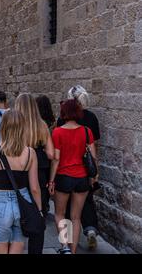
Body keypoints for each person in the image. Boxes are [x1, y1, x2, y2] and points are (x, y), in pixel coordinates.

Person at [0, 110, 42, 254]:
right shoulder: (30, 153)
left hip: (0, 203)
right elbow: (34, 187)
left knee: (0, 245)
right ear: (23, 128)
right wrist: (38, 210)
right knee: (18, 244)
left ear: (3, 128)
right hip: (23, 202)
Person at [49, 99, 98, 254]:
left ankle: (64, 247)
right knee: (76, 217)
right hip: (82, 178)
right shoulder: (86, 131)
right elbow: (94, 157)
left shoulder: (57, 132)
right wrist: (93, 177)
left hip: (63, 177)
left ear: (64, 113)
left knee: (60, 214)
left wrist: (51, 180)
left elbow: (56, 159)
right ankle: (73, 250)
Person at [58, 86, 101, 250]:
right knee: (86, 203)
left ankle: (65, 245)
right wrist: (94, 172)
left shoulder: (63, 120)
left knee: (64, 212)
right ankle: (90, 229)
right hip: (84, 172)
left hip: (64, 172)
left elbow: (56, 151)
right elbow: (94, 147)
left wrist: (51, 177)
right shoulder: (91, 118)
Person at [14, 93, 55, 254]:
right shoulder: (42, 125)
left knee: (18, 211)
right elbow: (51, 154)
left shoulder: (15, 124)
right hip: (39, 172)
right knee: (39, 214)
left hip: (19, 168)